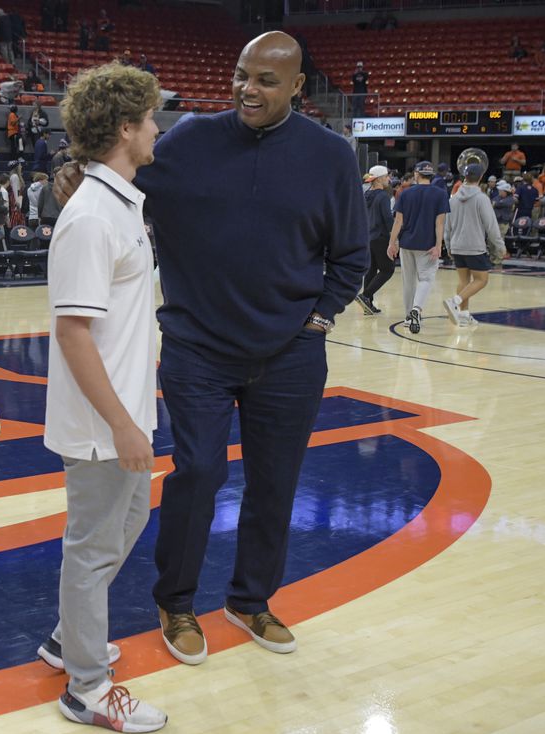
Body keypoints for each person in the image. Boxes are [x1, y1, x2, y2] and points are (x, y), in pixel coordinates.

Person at [57, 36, 369, 665]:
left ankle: (250, 600)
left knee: (276, 483)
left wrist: (317, 319)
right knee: (198, 473)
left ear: (298, 87)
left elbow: (352, 256)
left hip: (291, 352)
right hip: (198, 346)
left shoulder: (332, 157)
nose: (248, 89)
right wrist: (69, 171)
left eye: (265, 81)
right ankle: (175, 602)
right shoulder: (189, 140)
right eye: (239, 75)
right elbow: (113, 168)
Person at [34, 61, 167, 734]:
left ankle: (68, 638)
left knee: (126, 525)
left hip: (124, 412)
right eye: (149, 119)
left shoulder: (115, 201)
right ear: (123, 128)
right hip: (101, 422)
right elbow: (73, 333)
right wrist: (120, 424)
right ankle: (86, 686)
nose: (156, 129)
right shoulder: (91, 216)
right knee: (91, 547)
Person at [387, 160, 448, 334]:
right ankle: (417, 309)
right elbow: (440, 223)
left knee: (408, 282)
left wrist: (392, 243)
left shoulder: (405, 194)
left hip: (407, 243)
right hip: (427, 244)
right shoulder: (440, 194)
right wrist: (438, 245)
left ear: (416, 174)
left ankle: (408, 316)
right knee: (426, 279)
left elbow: (398, 221)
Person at [442, 163, 505, 328]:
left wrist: (448, 245)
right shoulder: (482, 198)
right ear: (481, 178)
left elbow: (447, 225)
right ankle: (455, 302)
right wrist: (499, 246)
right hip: (474, 246)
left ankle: (463, 315)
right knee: (481, 280)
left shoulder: (453, 198)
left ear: (464, 177)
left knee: (464, 280)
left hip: (456, 245)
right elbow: (490, 226)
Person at [356, 164, 395, 315]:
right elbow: (387, 218)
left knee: (371, 269)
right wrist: (394, 238)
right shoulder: (383, 196)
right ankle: (365, 296)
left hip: (368, 237)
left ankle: (368, 305)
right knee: (387, 269)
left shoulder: (365, 195)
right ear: (379, 179)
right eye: (386, 176)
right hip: (381, 237)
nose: (388, 179)